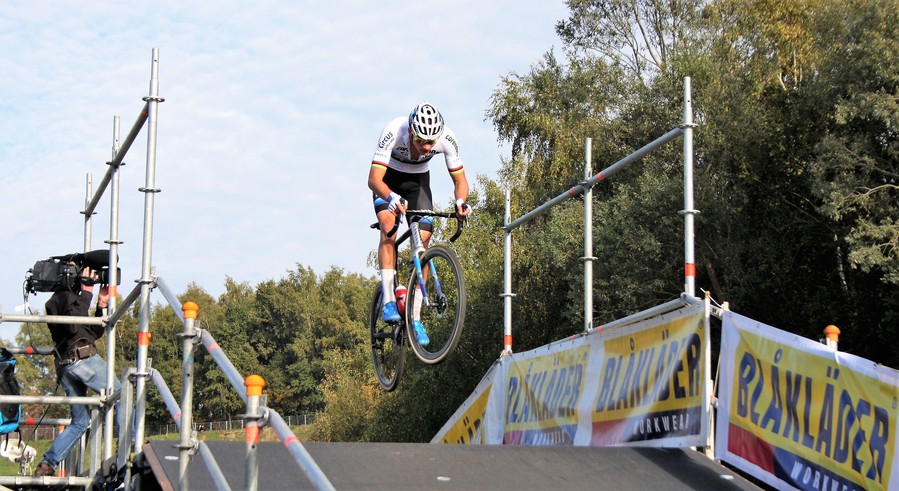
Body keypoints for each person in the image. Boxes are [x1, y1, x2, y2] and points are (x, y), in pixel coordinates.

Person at [368, 102, 472, 346]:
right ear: (412, 132)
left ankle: (415, 317)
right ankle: (388, 300)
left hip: (417, 183)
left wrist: (460, 201)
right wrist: (391, 198)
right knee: (389, 226)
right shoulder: (395, 130)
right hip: (388, 180)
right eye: (422, 141)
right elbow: (373, 179)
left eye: (431, 143)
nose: (427, 147)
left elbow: (461, 180)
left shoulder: (446, 138)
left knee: (423, 239)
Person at [35, 264, 121, 477]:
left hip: (69, 365)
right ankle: (130, 445)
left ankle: (48, 464)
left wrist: (101, 306)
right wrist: (86, 292)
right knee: (123, 395)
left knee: (80, 422)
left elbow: (92, 332)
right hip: (82, 360)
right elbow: (74, 325)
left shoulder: (70, 300)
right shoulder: (62, 298)